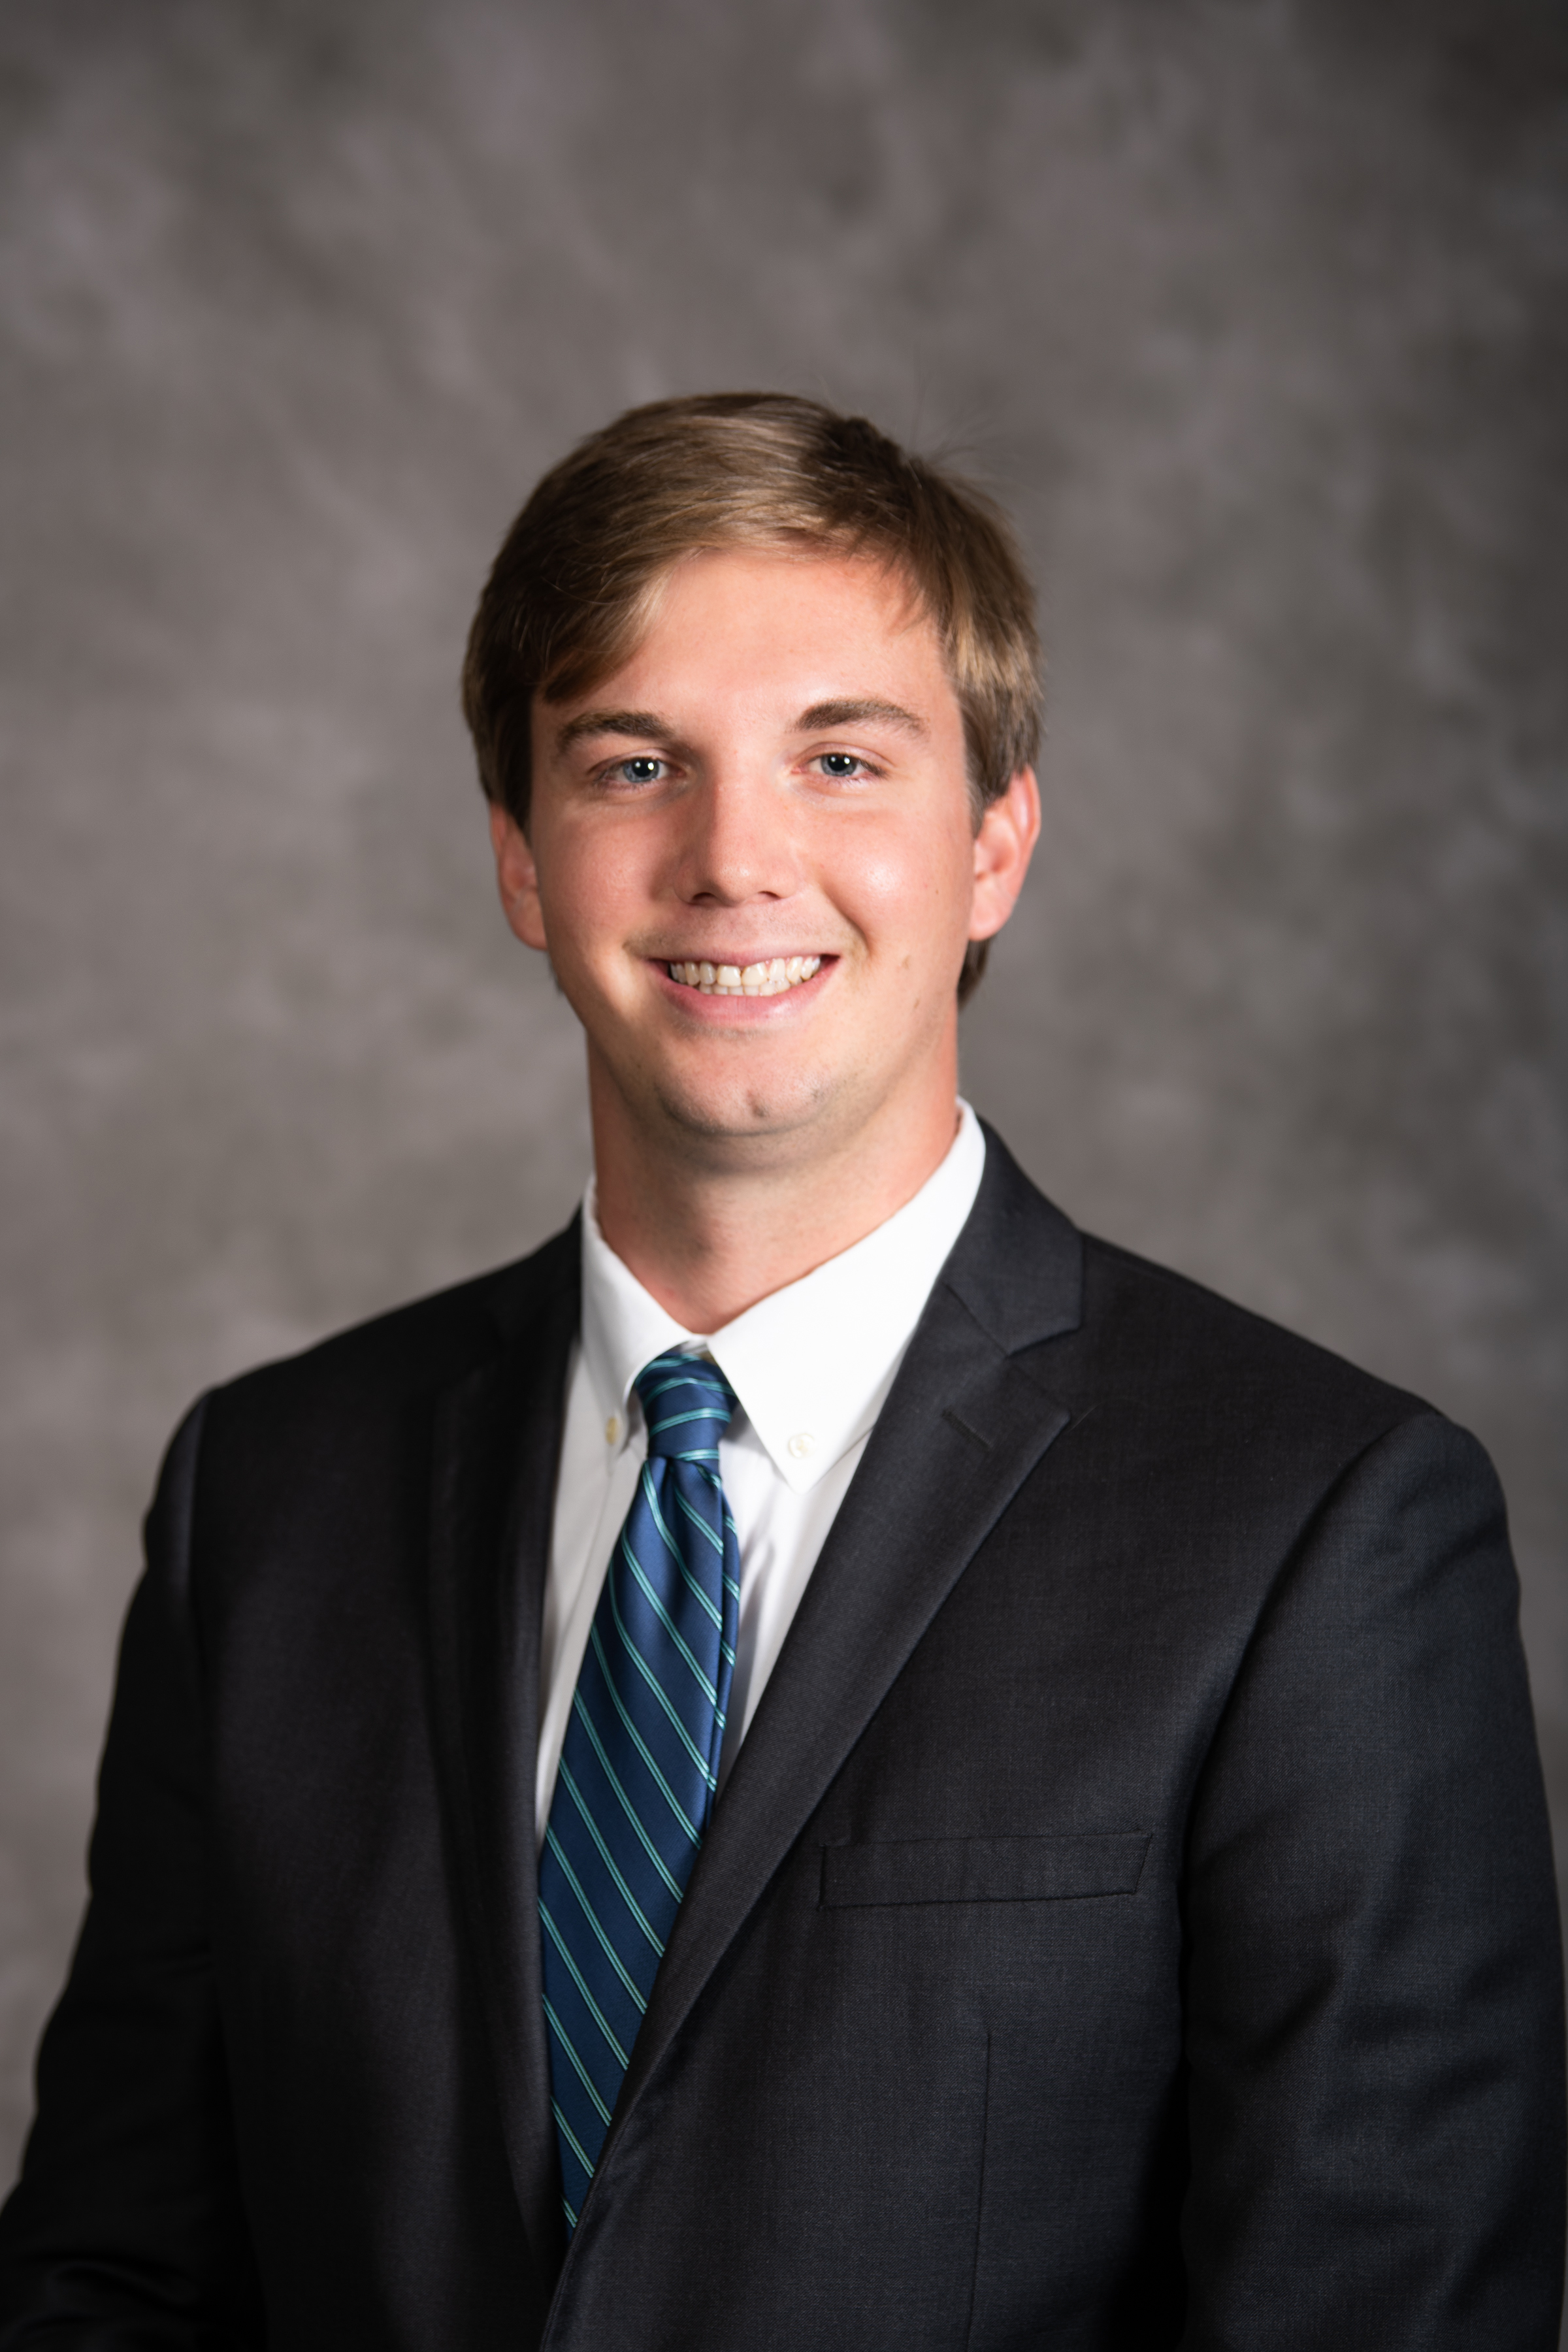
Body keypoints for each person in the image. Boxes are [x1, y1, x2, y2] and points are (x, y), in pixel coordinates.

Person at [0, 393, 1561, 2351]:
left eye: (841, 759)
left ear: (994, 843)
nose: (734, 858)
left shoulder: (1322, 1533)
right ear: (519, 859)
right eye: (634, 763)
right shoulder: (268, 1497)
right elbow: (114, 2282)